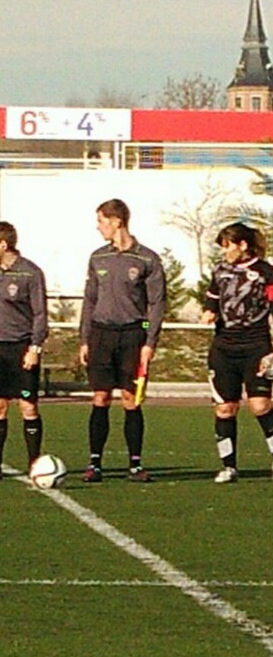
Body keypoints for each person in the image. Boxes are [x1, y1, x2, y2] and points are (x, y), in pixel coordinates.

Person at [79, 199, 167, 483]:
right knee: (101, 397)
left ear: (116, 221)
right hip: (101, 335)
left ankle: (135, 465)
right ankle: (95, 464)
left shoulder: (147, 259)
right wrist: (84, 339)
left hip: (133, 334)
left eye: (101, 221)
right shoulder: (97, 257)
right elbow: (89, 300)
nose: (97, 227)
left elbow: (156, 304)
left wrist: (149, 342)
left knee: (131, 399)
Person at [201, 223, 273, 483]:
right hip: (224, 348)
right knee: (225, 409)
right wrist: (209, 310)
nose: (224, 251)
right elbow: (212, 296)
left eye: (227, 246)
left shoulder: (266, 272)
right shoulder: (220, 271)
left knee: (260, 405)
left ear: (242, 245)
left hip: (256, 347)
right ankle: (229, 467)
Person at [0, 222, 49, 469]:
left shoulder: (30, 273)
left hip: (21, 348)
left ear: (3, 244)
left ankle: (34, 463)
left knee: (28, 406)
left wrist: (35, 347)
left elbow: (40, 314)